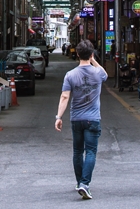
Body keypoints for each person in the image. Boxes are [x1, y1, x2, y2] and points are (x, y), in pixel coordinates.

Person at [55, 38, 108, 200]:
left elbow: (65, 97)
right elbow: (105, 74)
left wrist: (59, 117)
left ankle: (80, 182)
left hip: (76, 118)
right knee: (90, 151)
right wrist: (93, 61)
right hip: (93, 119)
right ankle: (85, 184)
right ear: (92, 54)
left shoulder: (70, 75)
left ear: (77, 54)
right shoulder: (98, 73)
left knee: (77, 151)